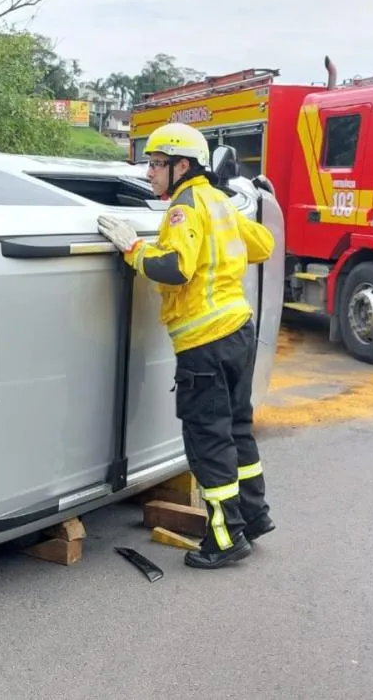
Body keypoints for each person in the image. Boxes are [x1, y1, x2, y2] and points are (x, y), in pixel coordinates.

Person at [96, 122, 277, 569]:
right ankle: (253, 516)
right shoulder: (216, 200)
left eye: (157, 164)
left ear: (182, 166)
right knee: (237, 429)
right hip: (238, 332)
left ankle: (225, 538)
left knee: (208, 441)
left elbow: (175, 267)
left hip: (204, 342)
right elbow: (263, 244)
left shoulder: (182, 207)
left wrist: (132, 248)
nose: (150, 172)